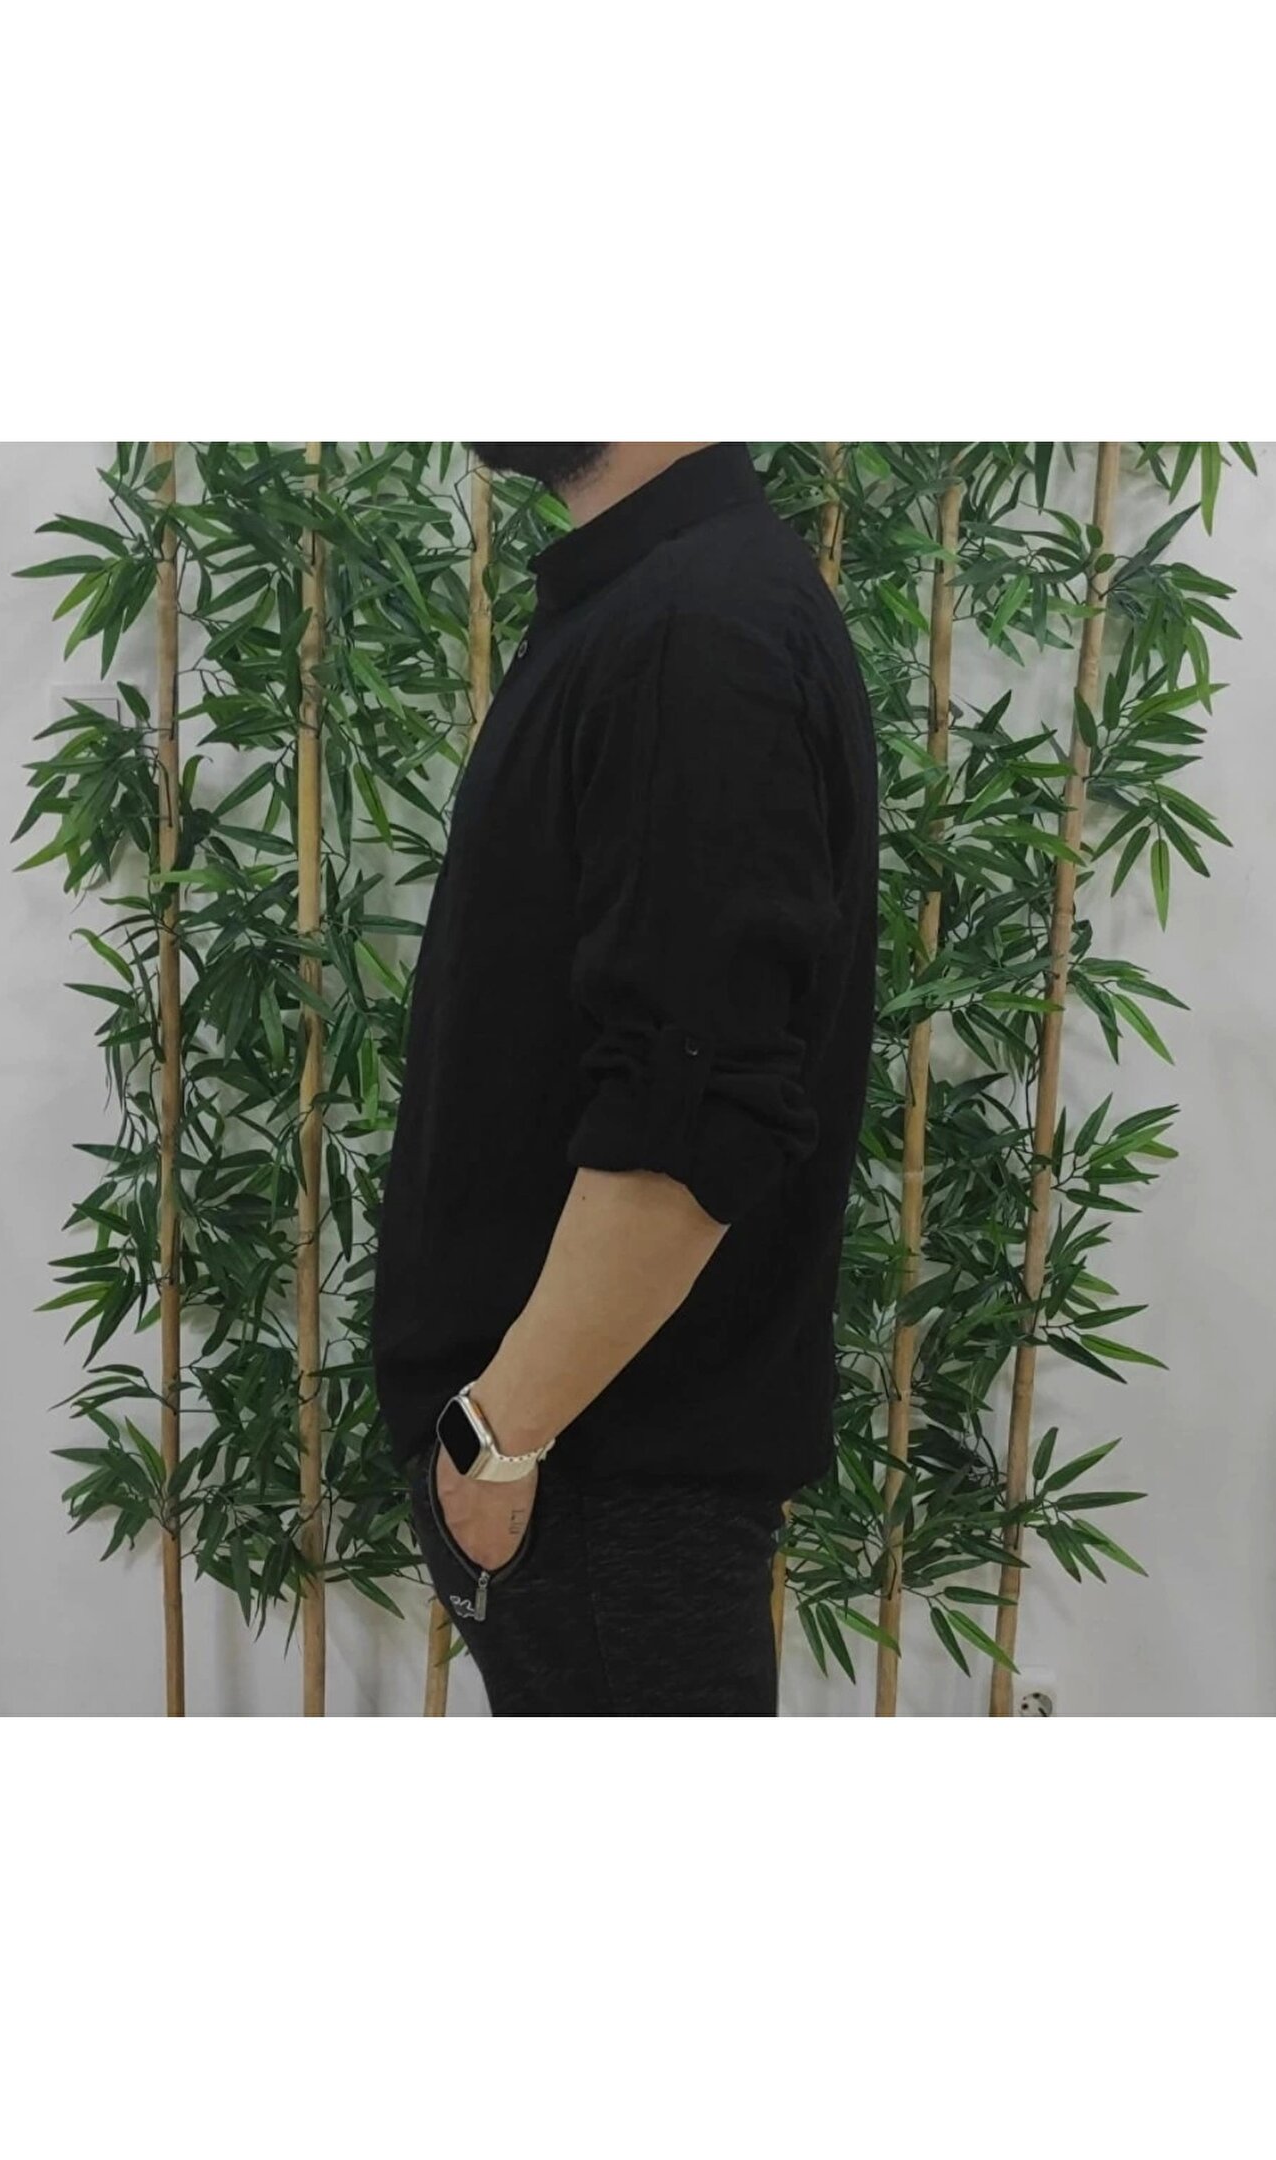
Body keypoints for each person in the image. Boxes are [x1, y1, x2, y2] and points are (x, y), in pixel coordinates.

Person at [370, 442, 879, 1714]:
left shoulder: (693, 629)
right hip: (590, 1475)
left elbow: (694, 1113)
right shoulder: (660, 601)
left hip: (599, 1478)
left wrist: (497, 1439)